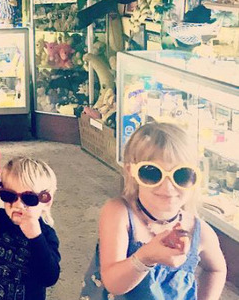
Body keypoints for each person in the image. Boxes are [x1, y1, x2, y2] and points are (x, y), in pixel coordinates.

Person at [83, 123, 226, 300]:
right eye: (152, 173)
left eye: (181, 175)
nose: (167, 187)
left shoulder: (199, 231)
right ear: (131, 172)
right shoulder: (119, 214)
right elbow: (114, 284)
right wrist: (146, 257)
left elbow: (217, 269)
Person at [0, 157, 60, 300]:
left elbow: (49, 278)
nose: (18, 205)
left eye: (29, 199)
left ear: (46, 202)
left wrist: (35, 238)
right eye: (9, 196)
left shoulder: (45, 234)